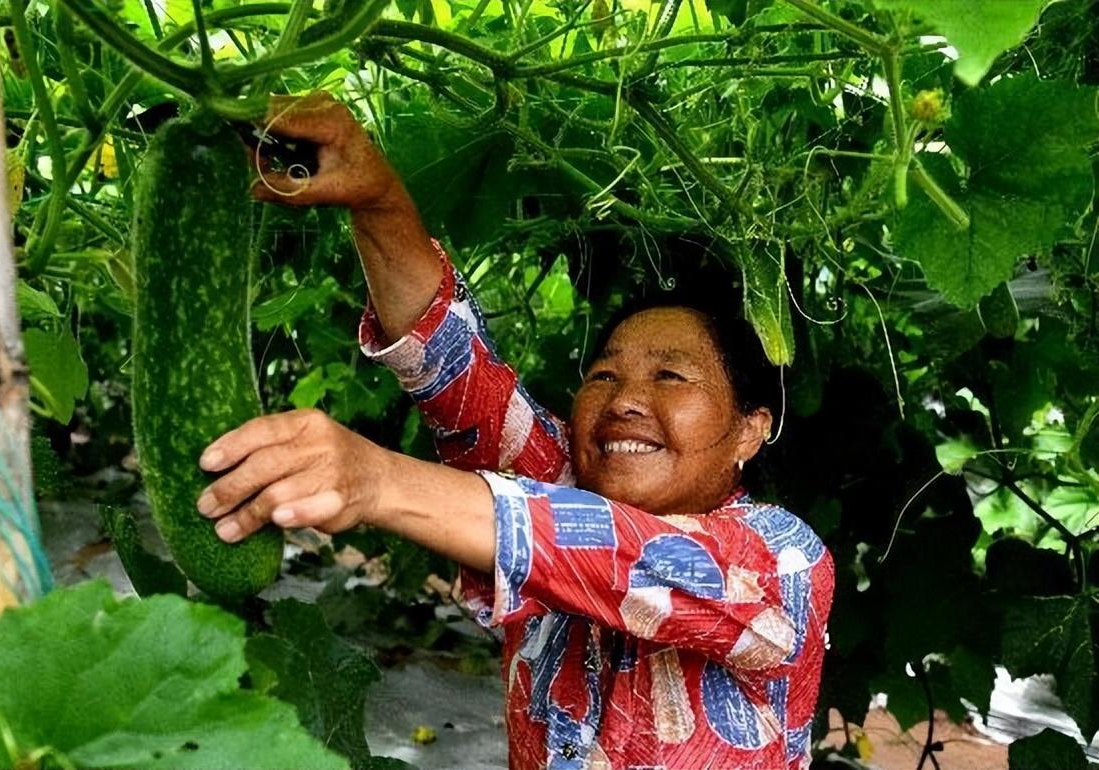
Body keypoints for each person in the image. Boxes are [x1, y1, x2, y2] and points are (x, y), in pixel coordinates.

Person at [195, 93, 834, 770]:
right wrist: (375, 194)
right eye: (604, 376)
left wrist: (376, 479)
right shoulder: (561, 477)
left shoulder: (783, 562)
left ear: (750, 429)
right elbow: (451, 365)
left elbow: (622, 553)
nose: (625, 401)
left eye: (671, 377)